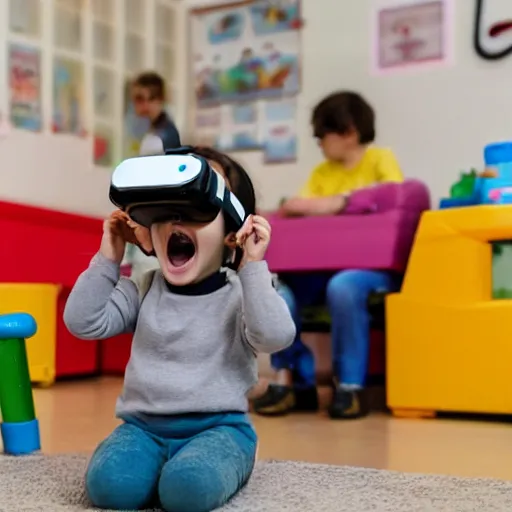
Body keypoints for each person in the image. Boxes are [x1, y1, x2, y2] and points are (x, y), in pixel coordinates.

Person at [64, 147, 295, 512]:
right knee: (110, 488)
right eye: (163, 212)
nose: (176, 222)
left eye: (196, 209)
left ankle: (234, 460)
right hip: (142, 428)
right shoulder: (143, 287)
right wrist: (108, 257)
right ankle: (159, 465)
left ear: (233, 233)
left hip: (219, 430)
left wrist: (252, 267)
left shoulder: (242, 293)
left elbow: (276, 336)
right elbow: (82, 322)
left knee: (187, 491)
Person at [253, 91, 404, 420]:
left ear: (348, 132)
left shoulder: (380, 160)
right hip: (319, 268)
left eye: (323, 135)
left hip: (366, 268)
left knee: (344, 286)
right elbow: (298, 210)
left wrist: (336, 204)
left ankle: (351, 386)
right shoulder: (322, 174)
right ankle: (294, 378)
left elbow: (392, 199)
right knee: (279, 291)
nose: (319, 143)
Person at [132, 71, 181, 155]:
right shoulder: (143, 130)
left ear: (162, 100)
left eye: (152, 98)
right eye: (139, 99)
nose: (145, 105)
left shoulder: (160, 139)